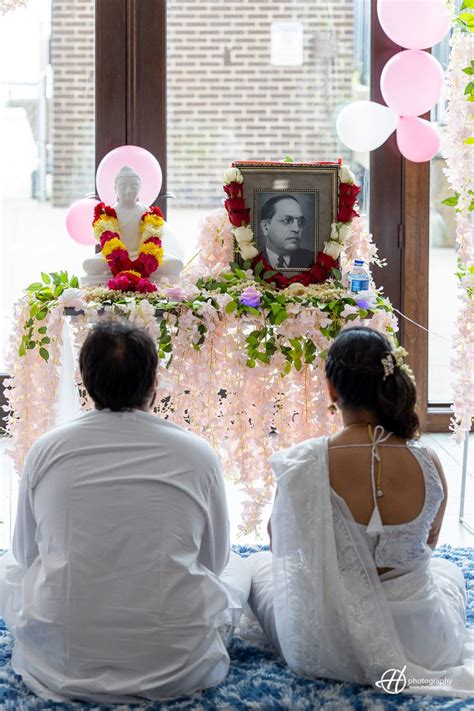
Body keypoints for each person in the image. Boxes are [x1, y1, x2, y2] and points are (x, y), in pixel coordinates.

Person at [0, 320, 251, 703]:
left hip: (60, 666)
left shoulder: (47, 449)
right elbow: (214, 561)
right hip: (175, 668)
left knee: (11, 568)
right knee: (239, 565)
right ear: (153, 382)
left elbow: (26, 554)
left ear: (85, 379)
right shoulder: (197, 454)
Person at [248, 327, 473, 697]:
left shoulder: (304, 463)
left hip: (330, 647)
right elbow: (429, 543)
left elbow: (281, 549)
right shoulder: (429, 460)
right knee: (447, 570)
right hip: (425, 645)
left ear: (332, 389)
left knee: (256, 569)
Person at [82, 165, 183, 285]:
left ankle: (131, 272)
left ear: (139, 188)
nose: (128, 191)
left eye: (133, 186)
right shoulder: (108, 215)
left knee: (175, 264)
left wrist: (145, 257)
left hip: (144, 257)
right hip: (116, 258)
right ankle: (123, 272)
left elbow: (155, 240)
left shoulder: (147, 212)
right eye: (123, 187)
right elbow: (106, 244)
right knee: (89, 265)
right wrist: (117, 256)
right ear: (115, 189)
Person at [259, 194, 314, 270]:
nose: (296, 229)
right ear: (265, 227)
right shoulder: (251, 260)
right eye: (287, 220)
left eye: (300, 221)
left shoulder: (313, 260)